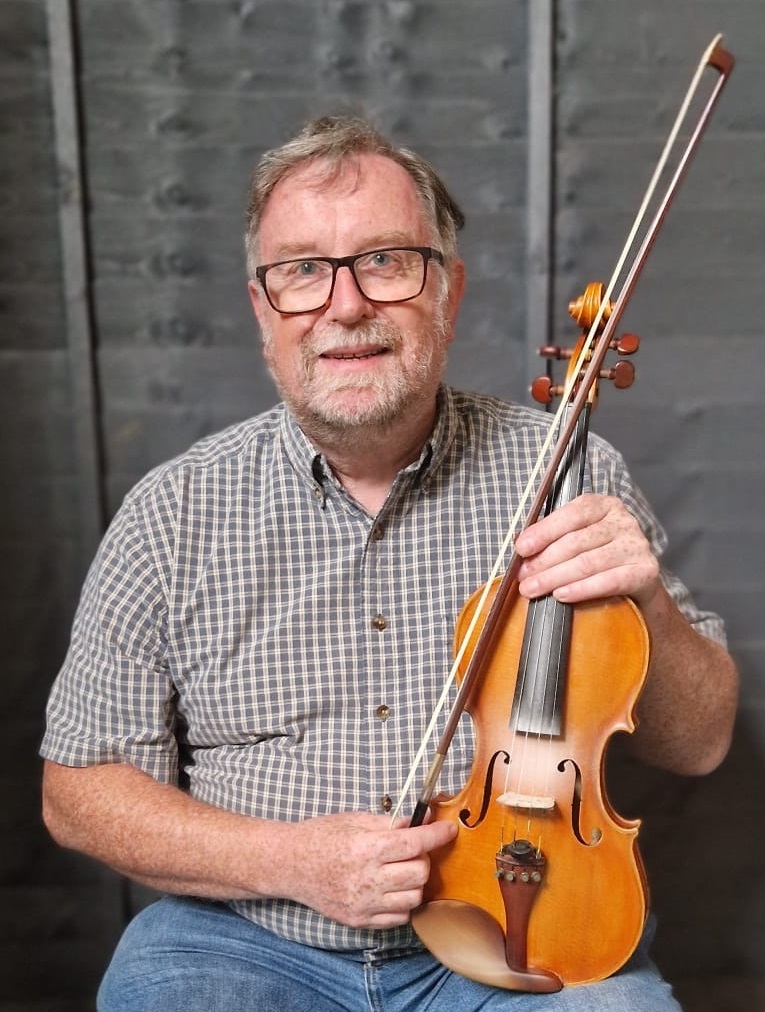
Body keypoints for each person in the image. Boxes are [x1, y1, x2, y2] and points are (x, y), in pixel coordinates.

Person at [40, 115, 738, 1012]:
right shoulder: (172, 514)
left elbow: (703, 741)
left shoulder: (566, 467)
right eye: (302, 270)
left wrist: (646, 598)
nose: (345, 305)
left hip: (516, 934)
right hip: (247, 935)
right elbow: (78, 791)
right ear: (263, 311)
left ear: (447, 292)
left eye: (385, 260)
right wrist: (289, 861)